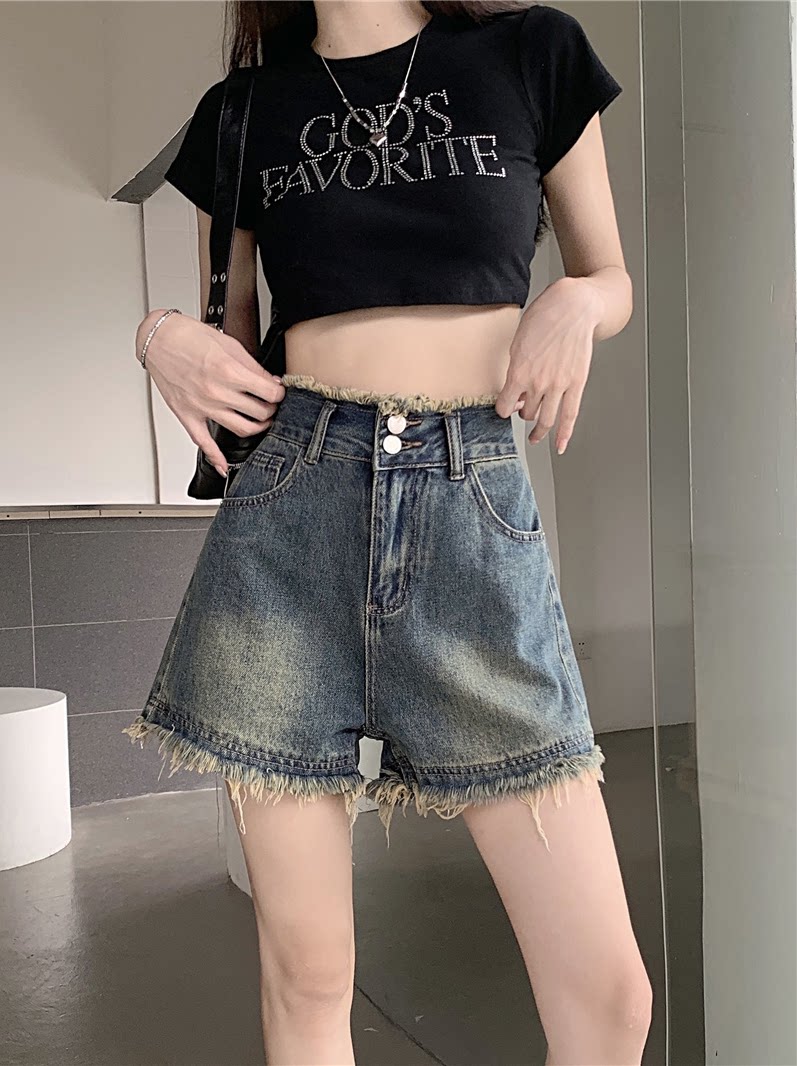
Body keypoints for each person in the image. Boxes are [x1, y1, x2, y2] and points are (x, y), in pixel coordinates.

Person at [124, 2, 651, 1063]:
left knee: (607, 996)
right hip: (291, 523)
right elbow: (230, 349)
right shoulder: (242, 111)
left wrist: (577, 302)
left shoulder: (529, 52)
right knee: (308, 973)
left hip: (473, 512)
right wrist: (158, 336)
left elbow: (610, 278)